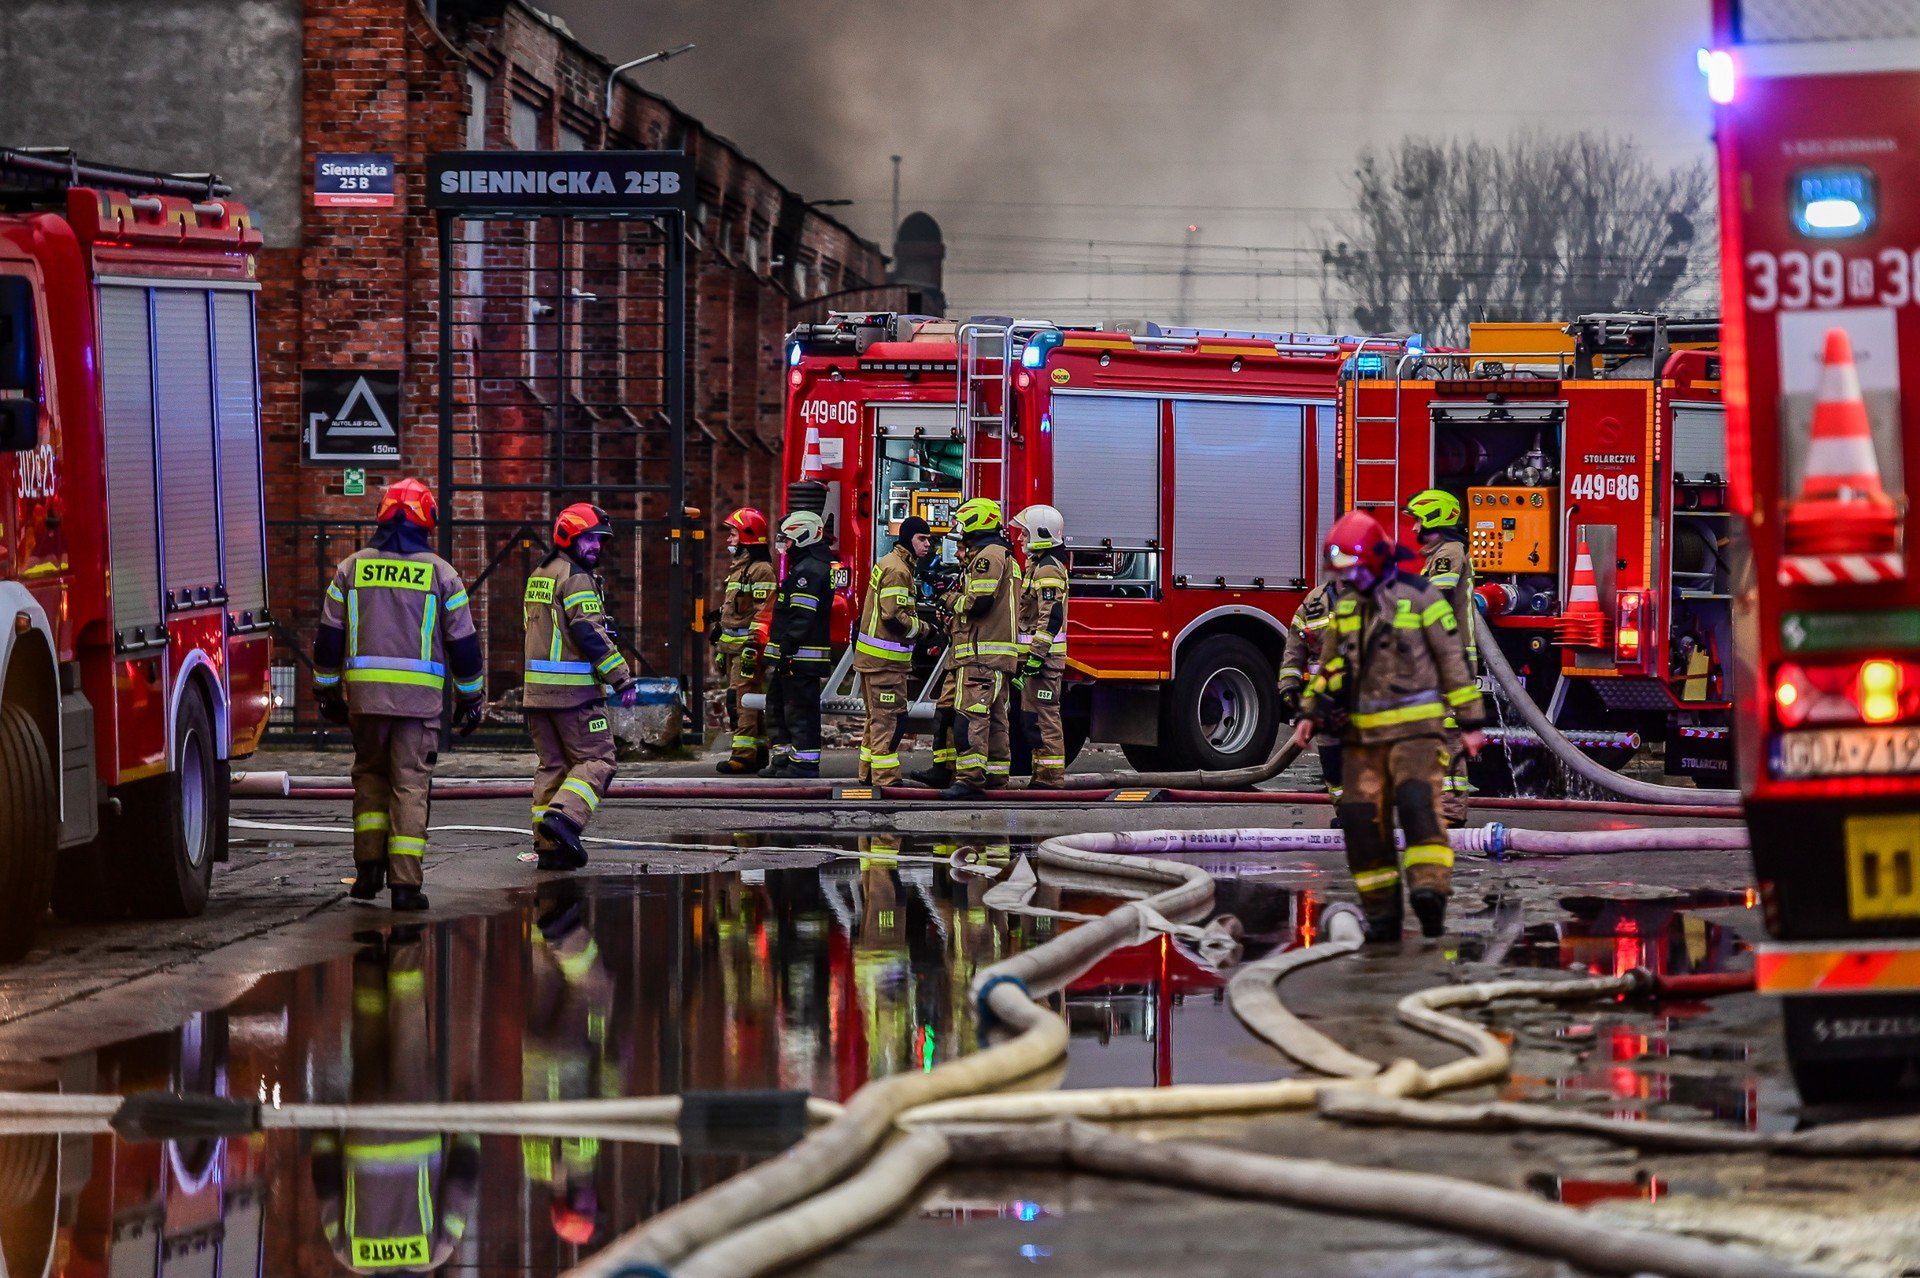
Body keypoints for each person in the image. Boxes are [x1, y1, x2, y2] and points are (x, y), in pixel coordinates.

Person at [1292, 510, 1486, 942]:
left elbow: (1452, 662)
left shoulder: (1422, 599)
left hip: (1416, 736)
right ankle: (1382, 916)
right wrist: (1310, 713)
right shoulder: (1346, 610)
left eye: (1354, 568)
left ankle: (1429, 897)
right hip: (1363, 739)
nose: (1349, 579)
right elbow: (1329, 667)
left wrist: (1470, 721)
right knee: (1362, 825)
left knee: (1419, 814)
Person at [312, 477, 483, 911]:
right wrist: (471, 698)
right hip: (418, 706)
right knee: (409, 784)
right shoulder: (442, 574)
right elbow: (463, 645)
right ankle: (405, 884)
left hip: (366, 702)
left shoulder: (351, 569)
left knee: (369, 777)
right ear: (427, 518)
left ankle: (367, 872)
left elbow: (329, 639)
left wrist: (328, 692)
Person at [311, 927, 481, 1272]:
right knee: (368, 1050)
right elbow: (327, 1187)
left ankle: (404, 946)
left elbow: (461, 1184)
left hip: (414, 1125)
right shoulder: (350, 1255)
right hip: (363, 1130)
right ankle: (369, 960)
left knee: (410, 1042)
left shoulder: (436, 1251)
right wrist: (325, 1134)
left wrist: (468, 1129)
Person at [523, 503, 640, 872]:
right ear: (568, 536)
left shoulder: (540, 573)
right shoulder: (576, 578)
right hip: (574, 694)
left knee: (553, 766)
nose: (596, 547)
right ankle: (565, 820)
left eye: (599, 540)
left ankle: (549, 848)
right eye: (588, 539)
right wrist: (620, 677)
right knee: (597, 760)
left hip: (537, 694)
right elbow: (589, 632)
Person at [1405, 488, 1479, 828]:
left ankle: (1450, 810)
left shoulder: (1449, 553)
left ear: (1434, 519)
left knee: (1447, 732)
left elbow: (1433, 597)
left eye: (1419, 521)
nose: (1414, 529)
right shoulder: (1439, 556)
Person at [943, 497, 1022, 799]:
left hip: (980, 655)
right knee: (997, 719)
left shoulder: (987, 557)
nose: (960, 529)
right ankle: (996, 778)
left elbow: (979, 604)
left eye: (964, 522)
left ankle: (970, 780)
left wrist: (950, 602)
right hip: (998, 656)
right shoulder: (1005, 555)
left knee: (970, 717)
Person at [854, 516, 931, 787]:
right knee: (889, 721)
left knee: (876, 719)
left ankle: (867, 774)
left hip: (876, 661)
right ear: (908, 538)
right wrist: (924, 630)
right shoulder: (899, 570)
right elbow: (893, 617)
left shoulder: (890, 562)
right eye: (922, 539)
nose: (928, 545)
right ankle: (886, 779)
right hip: (884, 663)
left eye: (929, 540)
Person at [760, 510, 833, 778]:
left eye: (787, 540)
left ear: (802, 537)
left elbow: (802, 615)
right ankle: (783, 759)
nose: (783, 545)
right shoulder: (802, 567)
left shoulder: (809, 571)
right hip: (790, 656)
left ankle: (804, 763)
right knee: (778, 706)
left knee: (800, 711)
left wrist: (788, 646)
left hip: (801, 657)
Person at [711, 507, 778, 775]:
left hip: (747, 649)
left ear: (748, 536)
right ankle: (758, 751)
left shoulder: (761, 571)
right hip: (732, 648)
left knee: (742, 701)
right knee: (743, 700)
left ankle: (743, 756)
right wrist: (719, 632)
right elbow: (736, 610)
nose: (729, 539)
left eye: (733, 534)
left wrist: (753, 647)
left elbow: (765, 612)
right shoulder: (740, 570)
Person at [1011, 504, 1070, 788]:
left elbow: (1051, 616)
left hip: (1044, 663)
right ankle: (1042, 775)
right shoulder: (1039, 566)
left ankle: (1049, 779)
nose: (1020, 538)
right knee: (1033, 718)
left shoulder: (1048, 569)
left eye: (1024, 533)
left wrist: (1036, 655)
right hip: (1038, 662)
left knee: (1044, 719)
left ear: (1039, 533)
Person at [1277, 576, 1343, 799]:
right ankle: (1344, 815)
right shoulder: (1313, 602)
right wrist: (1290, 690)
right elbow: (1293, 653)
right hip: (1325, 704)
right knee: (1333, 767)